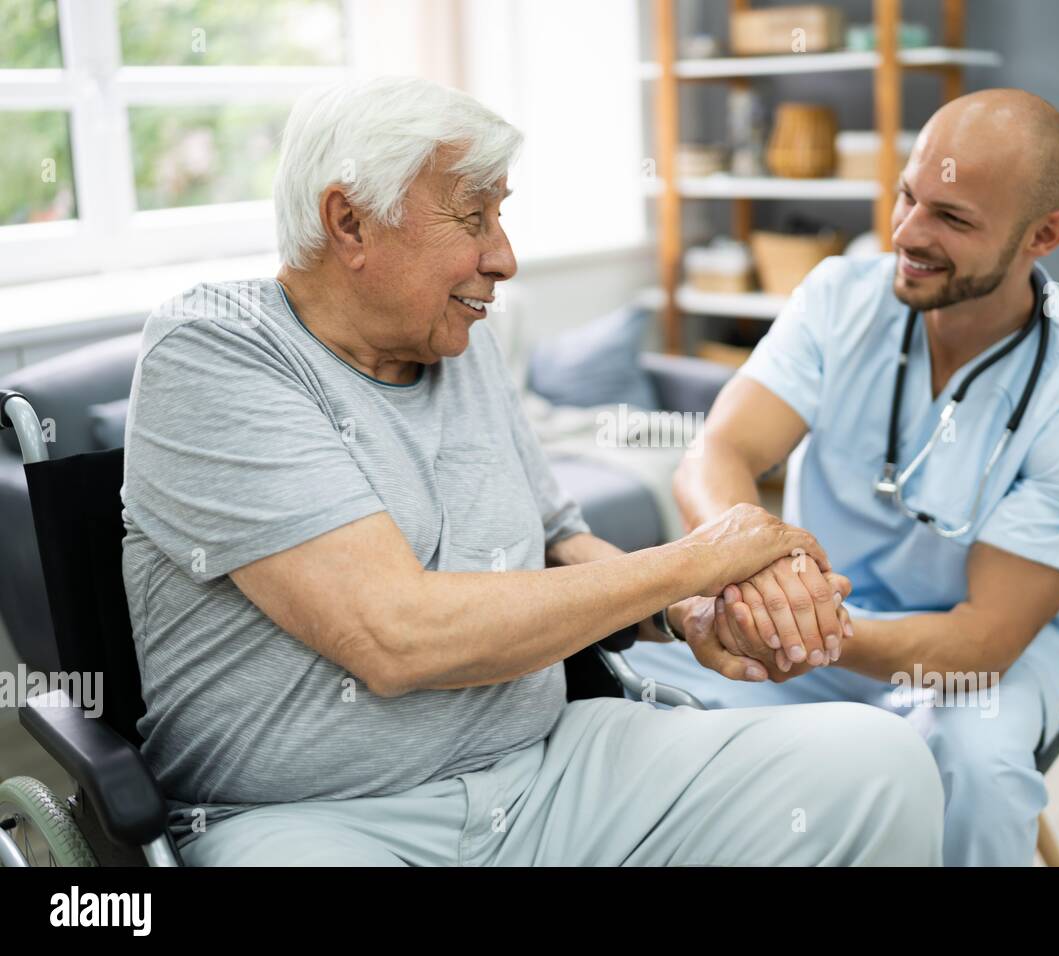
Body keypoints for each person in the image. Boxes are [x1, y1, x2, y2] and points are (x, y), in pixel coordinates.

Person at [119, 75, 943, 866]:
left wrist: (692, 613)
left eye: (499, 216)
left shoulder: (456, 343)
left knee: (879, 766)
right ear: (350, 222)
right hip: (315, 821)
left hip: (550, 772)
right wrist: (703, 557)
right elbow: (394, 636)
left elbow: (560, 543)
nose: (504, 257)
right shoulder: (215, 349)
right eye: (472, 217)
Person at [627, 89, 1059, 866]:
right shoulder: (839, 298)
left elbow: (981, 642)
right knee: (624, 684)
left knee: (976, 769)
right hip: (812, 624)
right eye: (908, 195)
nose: (908, 232)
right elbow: (718, 453)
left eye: (953, 219)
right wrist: (752, 567)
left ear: (1046, 235)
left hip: (969, 664)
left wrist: (799, 625)